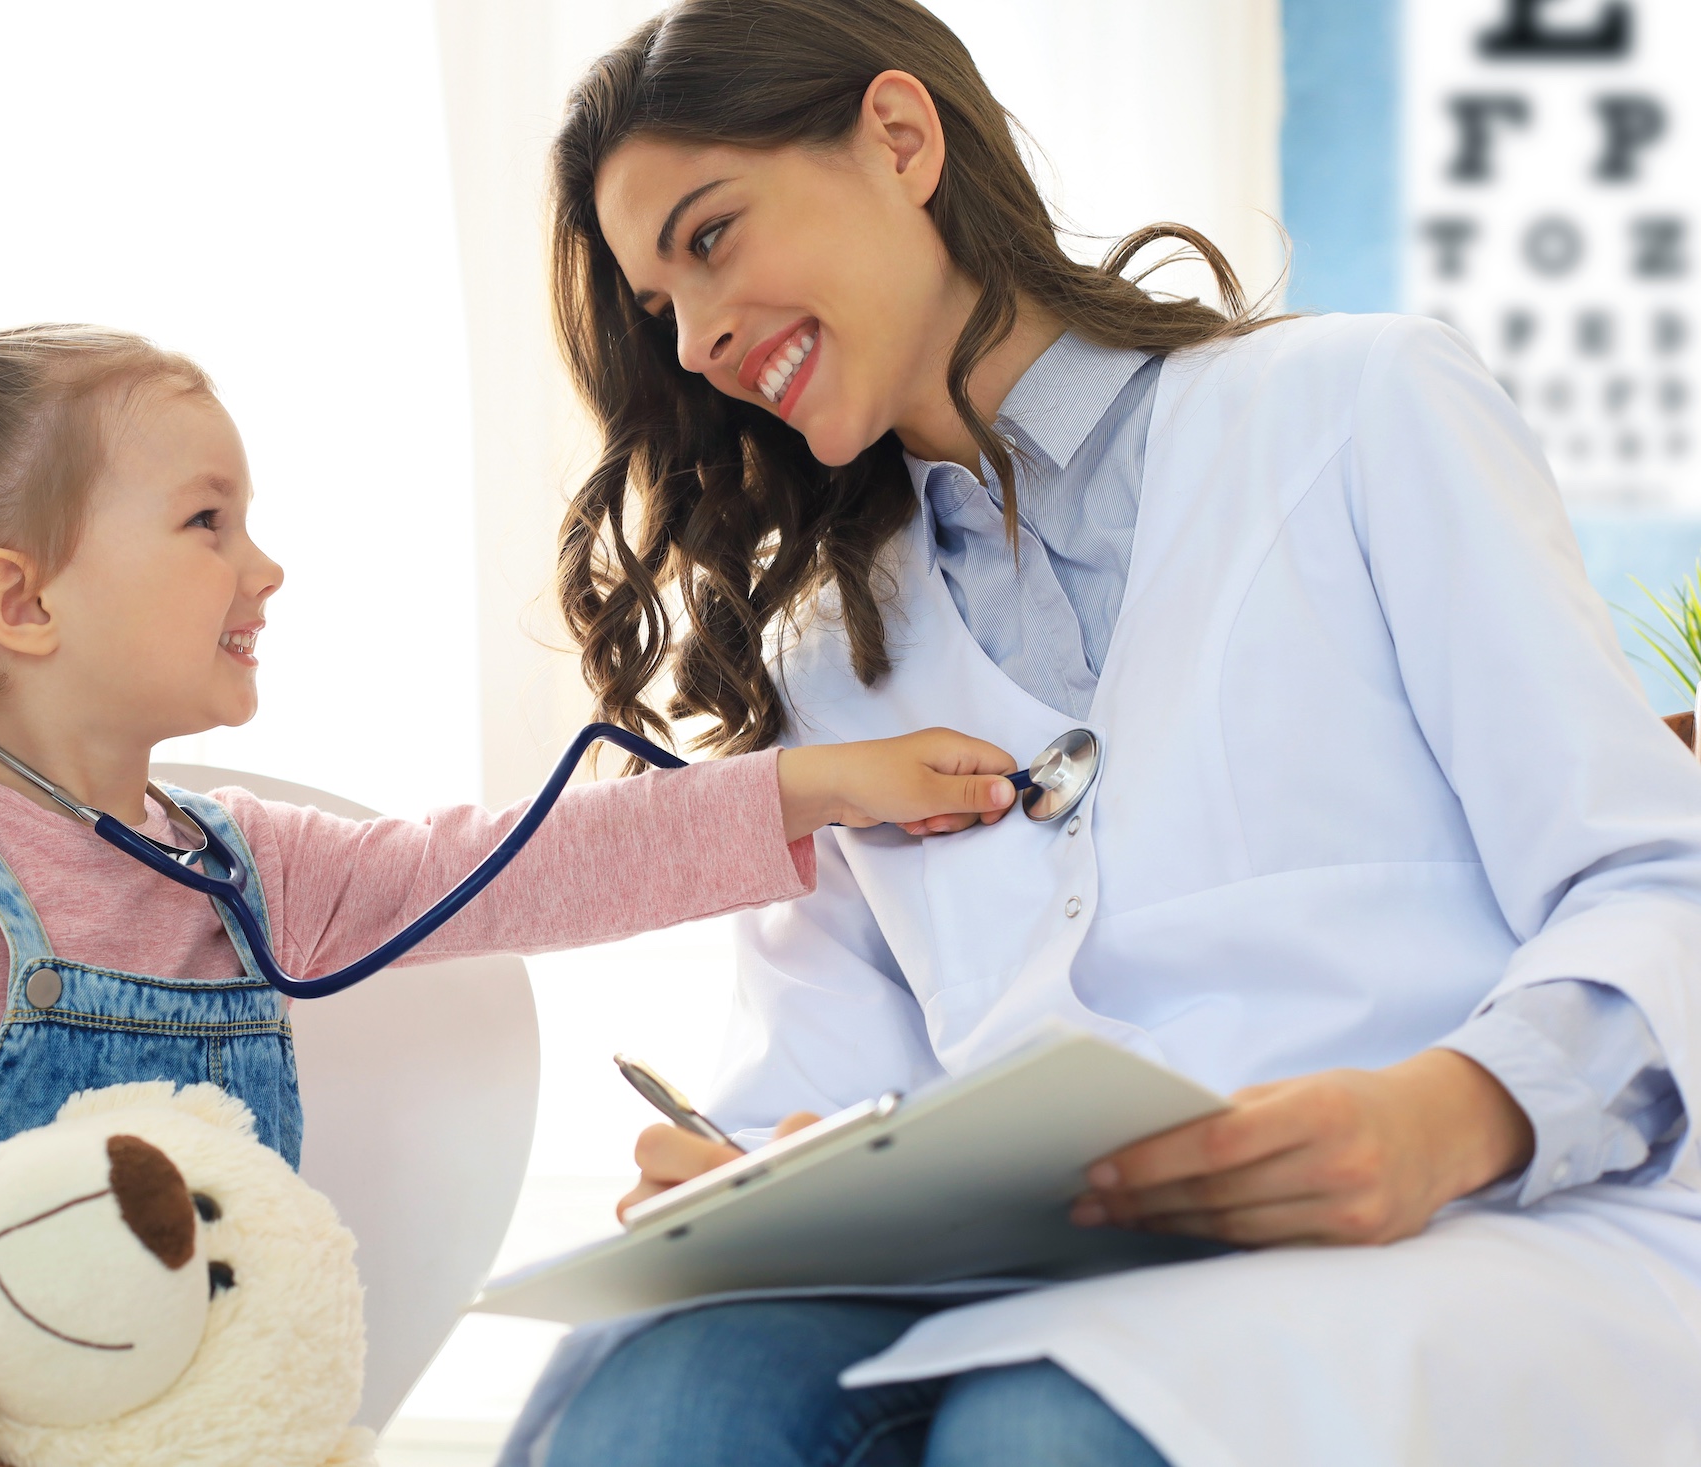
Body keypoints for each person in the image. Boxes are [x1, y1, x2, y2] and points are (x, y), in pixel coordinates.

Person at [507, 2, 1701, 1464]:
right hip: (1059, 1270)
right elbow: (828, 1077)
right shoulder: (830, 656)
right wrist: (745, 1173)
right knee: (663, 1399)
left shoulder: (1357, 409)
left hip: (1475, 1232)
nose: (694, 340)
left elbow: (1658, 878)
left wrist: (1456, 1114)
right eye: (658, 307)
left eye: (710, 239)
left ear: (899, 138)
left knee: (1042, 1433)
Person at [0, 324, 1023, 1466]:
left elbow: (515, 867)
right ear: (20, 603)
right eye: (208, 522)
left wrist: (810, 788)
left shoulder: (247, 866)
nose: (263, 567)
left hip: (201, 1417)